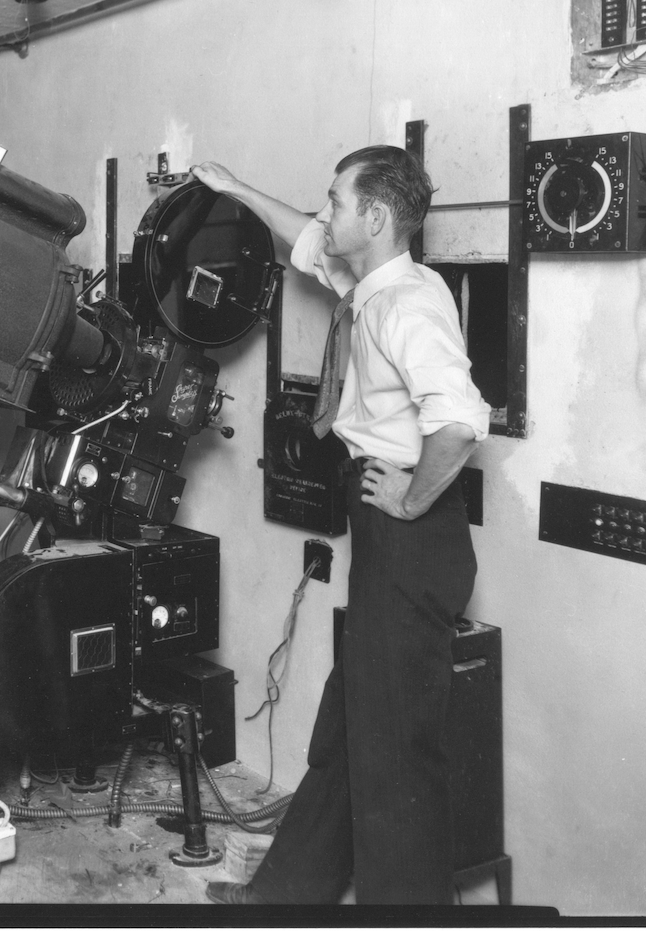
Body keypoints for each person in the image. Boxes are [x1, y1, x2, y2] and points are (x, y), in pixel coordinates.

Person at [191, 147, 490, 906]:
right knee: (353, 727)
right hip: (388, 534)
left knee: (395, 757)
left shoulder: (406, 306)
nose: (326, 215)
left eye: (337, 203)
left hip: (410, 537)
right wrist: (236, 185)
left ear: (377, 217)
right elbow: (305, 240)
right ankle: (286, 900)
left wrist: (413, 500)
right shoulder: (374, 285)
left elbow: (457, 423)